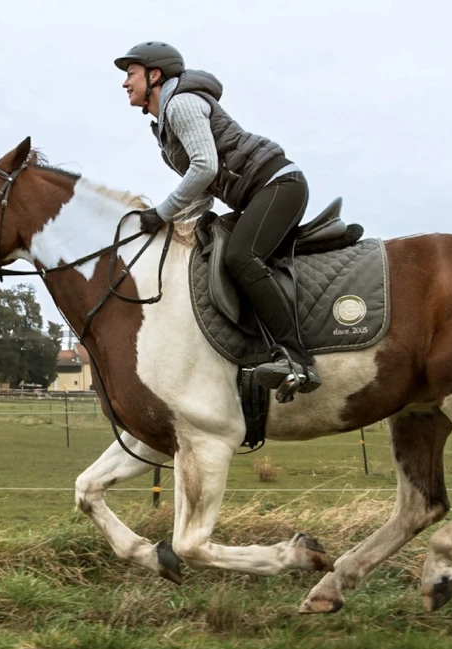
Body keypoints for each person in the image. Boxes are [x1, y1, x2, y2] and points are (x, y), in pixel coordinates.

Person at [115, 41, 319, 401]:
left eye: (130, 74)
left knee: (241, 257)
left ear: (154, 75)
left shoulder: (181, 103)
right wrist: (173, 224)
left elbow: (204, 166)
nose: (125, 83)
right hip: (257, 195)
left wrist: (160, 212)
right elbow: (205, 189)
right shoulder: (163, 128)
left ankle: (296, 359)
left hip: (278, 184)